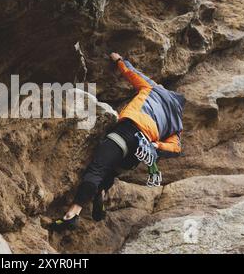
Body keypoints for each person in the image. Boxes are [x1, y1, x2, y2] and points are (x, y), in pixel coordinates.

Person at [51, 52, 186, 231]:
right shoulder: (176, 123)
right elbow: (176, 148)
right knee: (110, 172)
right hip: (139, 151)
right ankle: (101, 191)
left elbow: (132, 73)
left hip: (127, 131)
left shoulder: (154, 89)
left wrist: (119, 60)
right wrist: (157, 145)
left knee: (97, 168)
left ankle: (72, 214)